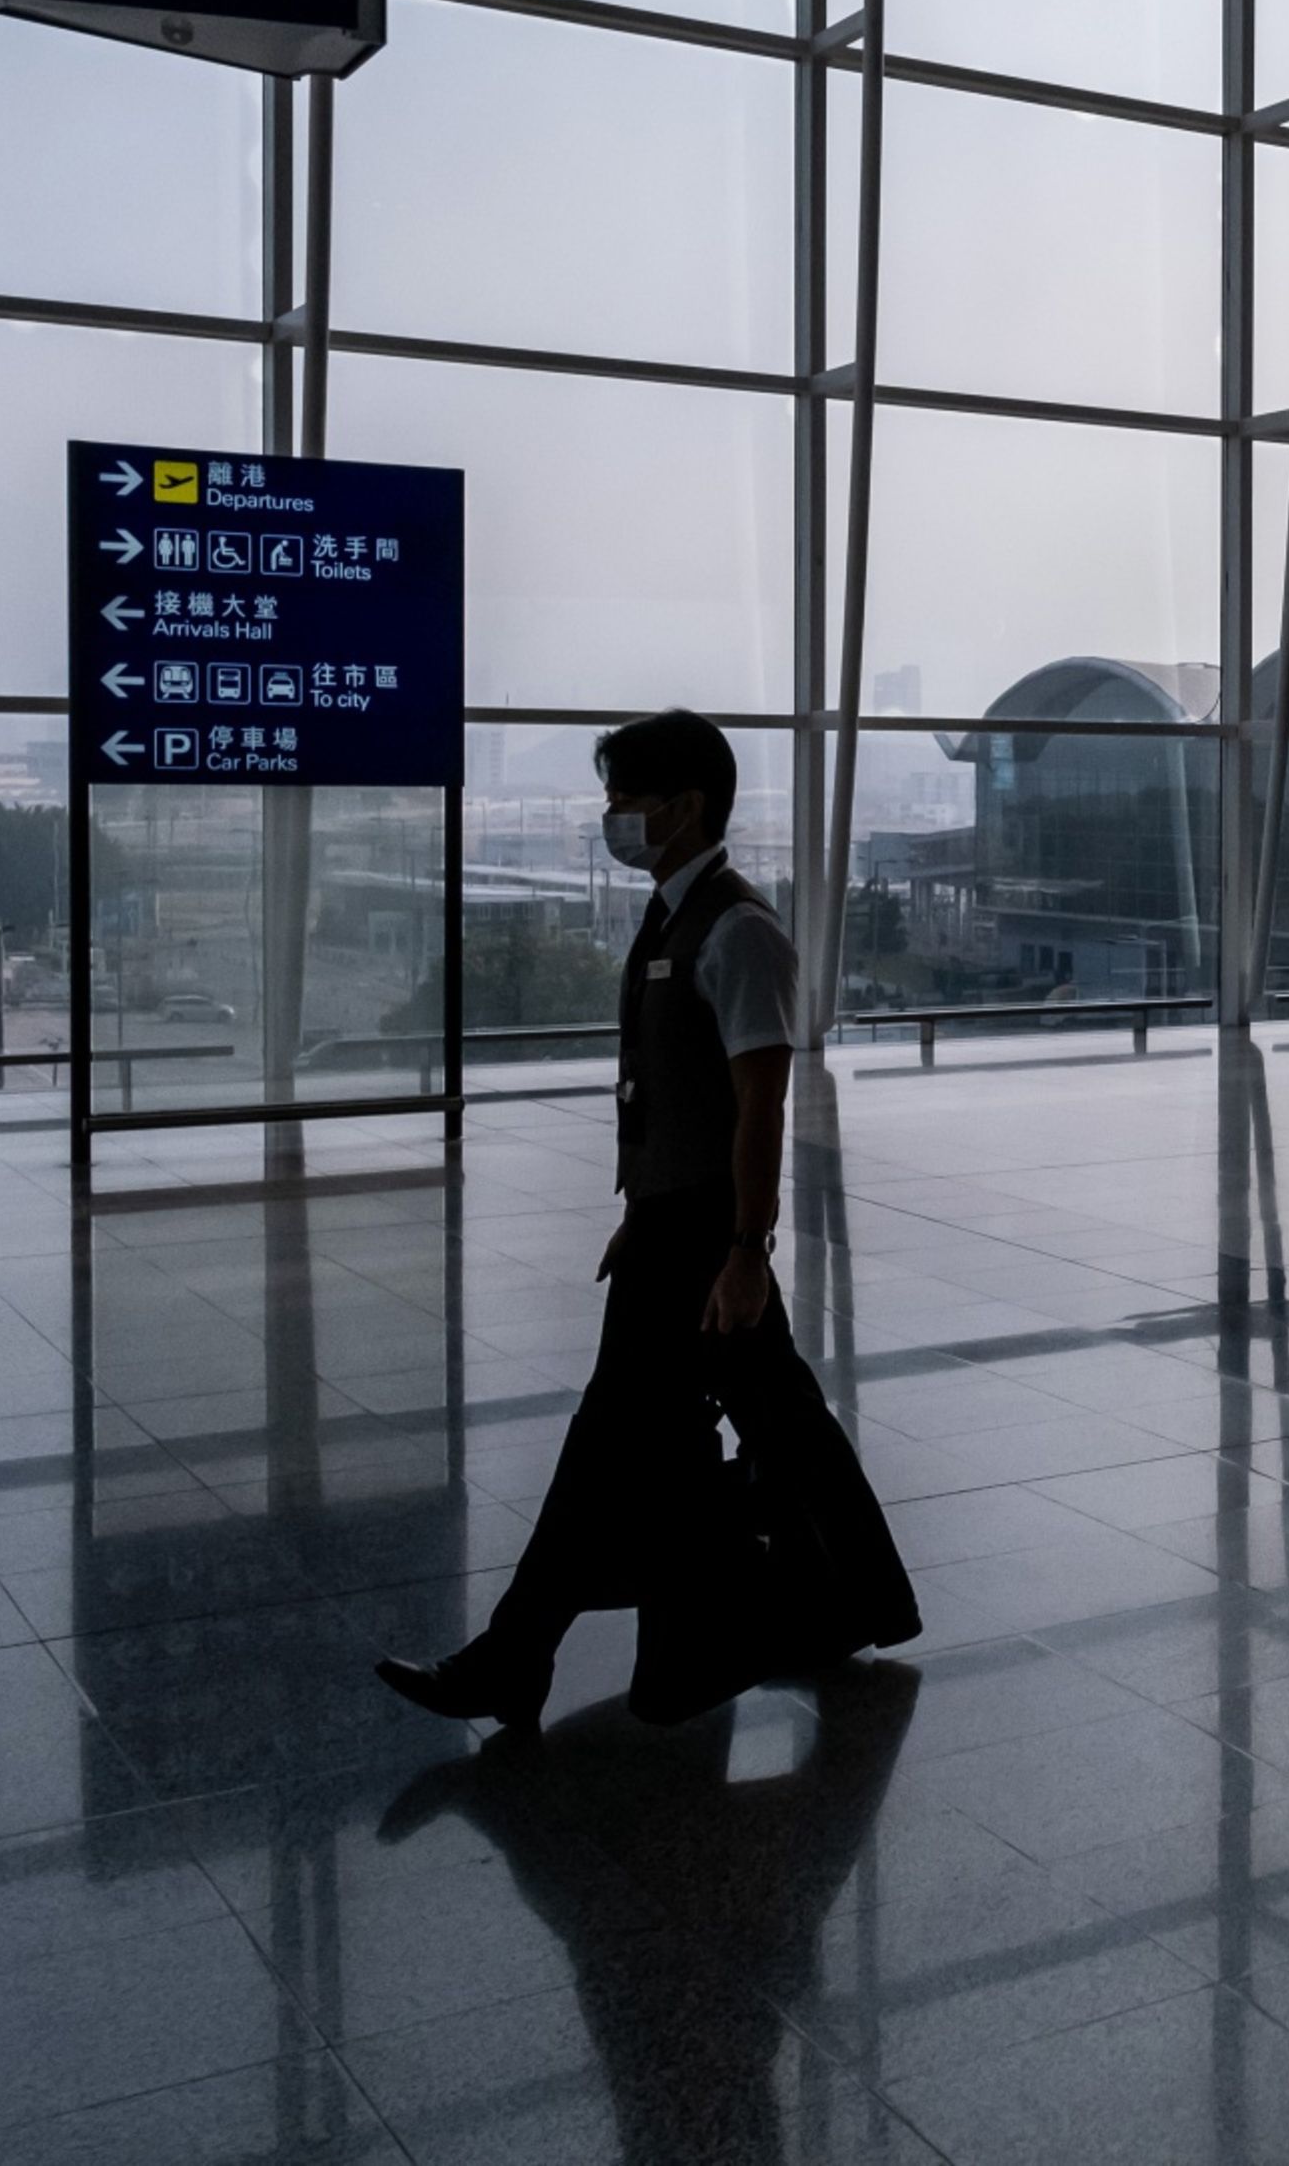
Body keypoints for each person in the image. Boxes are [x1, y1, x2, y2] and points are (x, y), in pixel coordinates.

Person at [378, 710, 918, 1732]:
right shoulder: (670, 916)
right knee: (773, 1425)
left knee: (617, 1436)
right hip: (673, 1229)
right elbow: (670, 1095)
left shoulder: (739, 930)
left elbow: (761, 1104)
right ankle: (860, 1601)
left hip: (710, 1241)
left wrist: (746, 1252)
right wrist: (641, 1209)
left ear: (686, 804)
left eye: (626, 798)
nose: (610, 816)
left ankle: (514, 1656)